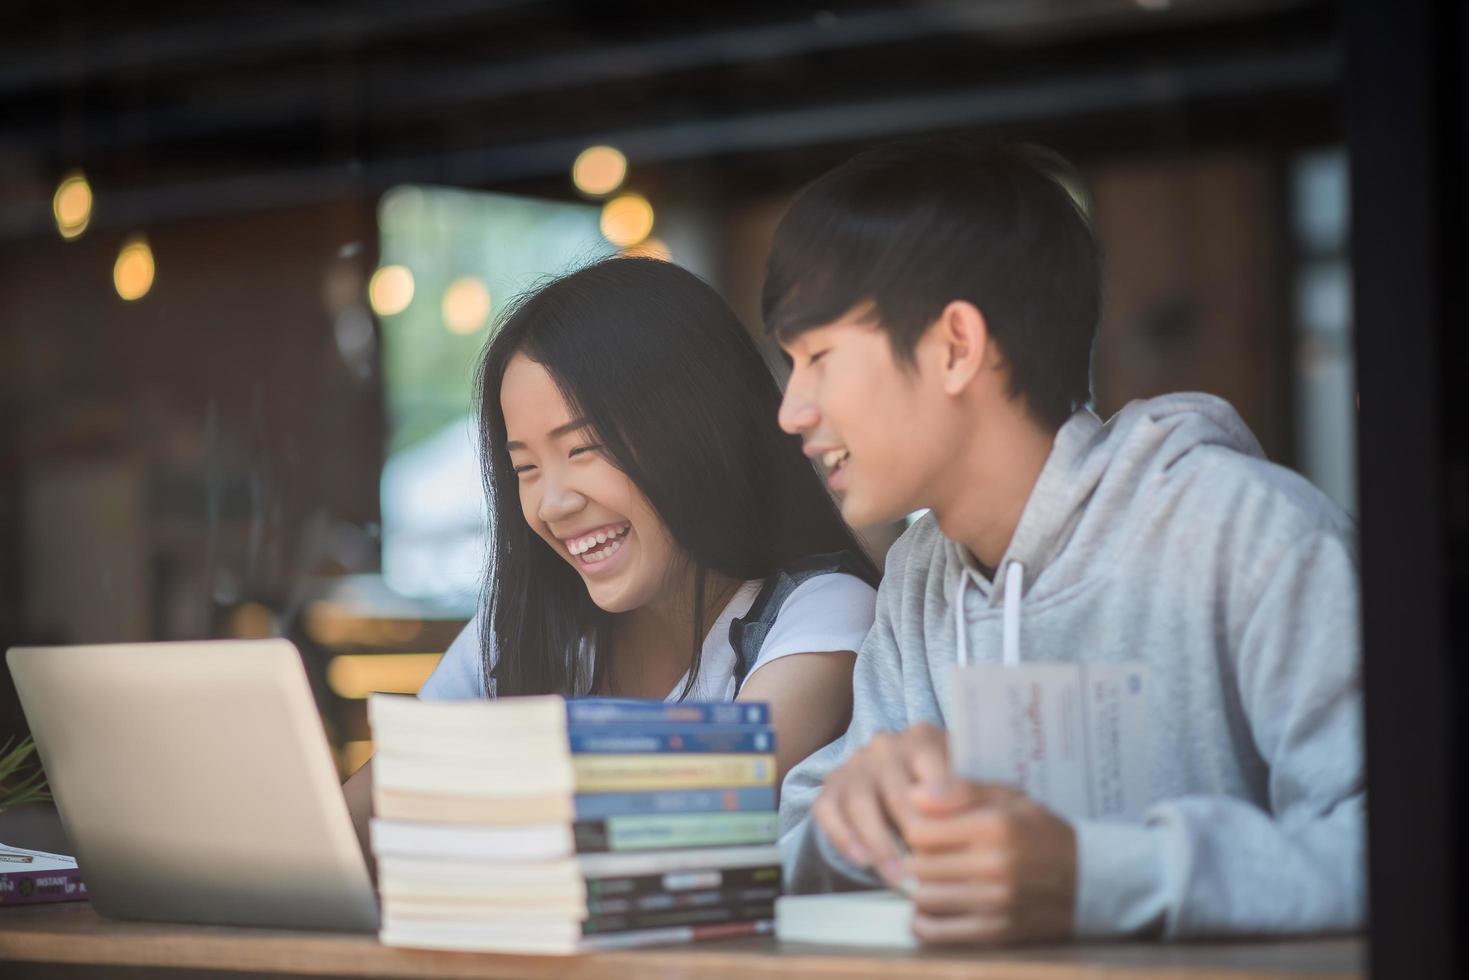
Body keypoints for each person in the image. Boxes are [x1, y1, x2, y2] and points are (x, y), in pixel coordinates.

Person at [766, 139, 1363, 943]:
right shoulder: (919, 579)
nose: (791, 410)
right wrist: (854, 817)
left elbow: (1394, 842)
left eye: (818, 358)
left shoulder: (1252, 535)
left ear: (954, 346)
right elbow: (796, 843)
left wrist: (1095, 874)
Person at [345, 257, 879, 854]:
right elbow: (349, 826)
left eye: (583, 449)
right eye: (525, 467)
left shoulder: (822, 612)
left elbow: (703, 796)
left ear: (697, 431)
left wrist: (463, 779)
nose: (552, 503)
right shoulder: (516, 628)